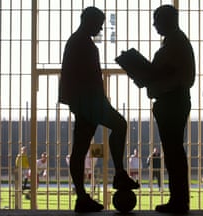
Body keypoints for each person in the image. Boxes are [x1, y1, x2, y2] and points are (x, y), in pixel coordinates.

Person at [58, 6, 139, 212]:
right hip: (89, 103)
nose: (101, 28)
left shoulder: (78, 42)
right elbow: (87, 79)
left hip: (86, 103)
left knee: (80, 148)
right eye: (99, 24)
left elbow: (71, 77)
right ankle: (118, 174)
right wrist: (95, 102)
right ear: (89, 21)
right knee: (118, 126)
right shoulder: (82, 44)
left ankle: (83, 196)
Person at [120, 5, 195, 213]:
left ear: (168, 20)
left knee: (173, 153)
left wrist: (148, 75)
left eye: (157, 20)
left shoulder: (175, 44)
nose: (154, 25)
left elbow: (175, 76)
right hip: (173, 101)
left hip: (171, 101)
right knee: (173, 152)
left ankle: (179, 201)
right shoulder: (178, 43)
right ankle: (179, 199)